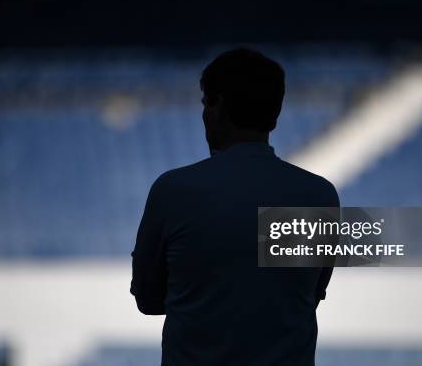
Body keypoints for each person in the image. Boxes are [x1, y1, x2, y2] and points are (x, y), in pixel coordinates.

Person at [131, 48, 339, 366]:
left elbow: (147, 299)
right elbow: (307, 297)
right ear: (275, 111)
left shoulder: (173, 190)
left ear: (219, 106)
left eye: (205, 103)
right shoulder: (319, 195)